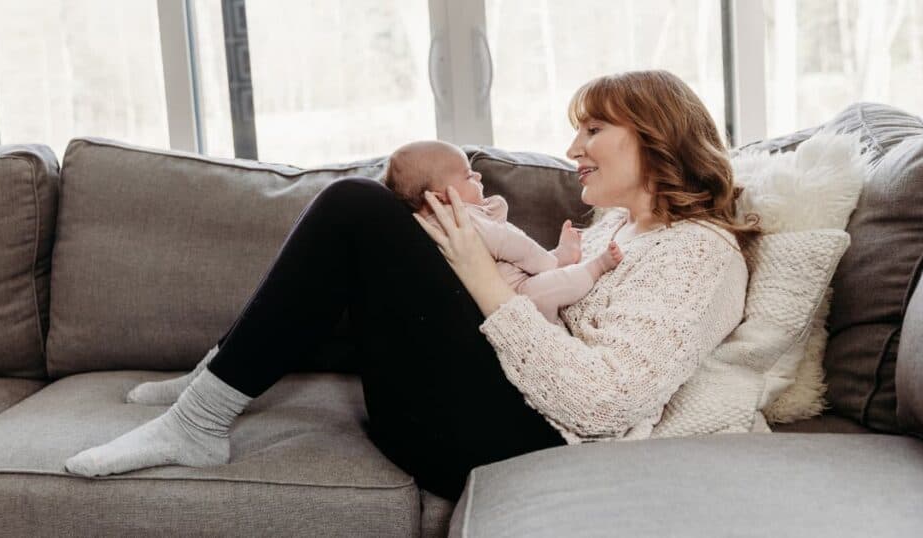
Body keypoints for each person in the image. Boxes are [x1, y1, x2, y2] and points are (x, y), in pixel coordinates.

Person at [63, 70, 762, 503]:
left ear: (656, 135)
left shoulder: (701, 255)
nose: (574, 148)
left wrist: (484, 283)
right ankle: (213, 381)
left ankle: (198, 421)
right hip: (506, 399)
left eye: (595, 128)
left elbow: (605, 401)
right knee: (378, 245)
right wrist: (495, 273)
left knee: (356, 209)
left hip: (527, 440)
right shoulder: (617, 230)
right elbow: (551, 309)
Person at [384, 139, 623, 325]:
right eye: (468, 176)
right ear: (441, 198)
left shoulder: (427, 229)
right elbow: (513, 244)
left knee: (545, 283)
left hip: (506, 296)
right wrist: (551, 262)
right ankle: (595, 267)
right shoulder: (462, 220)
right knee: (552, 283)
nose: (478, 175)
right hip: (519, 296)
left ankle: (562, 259)